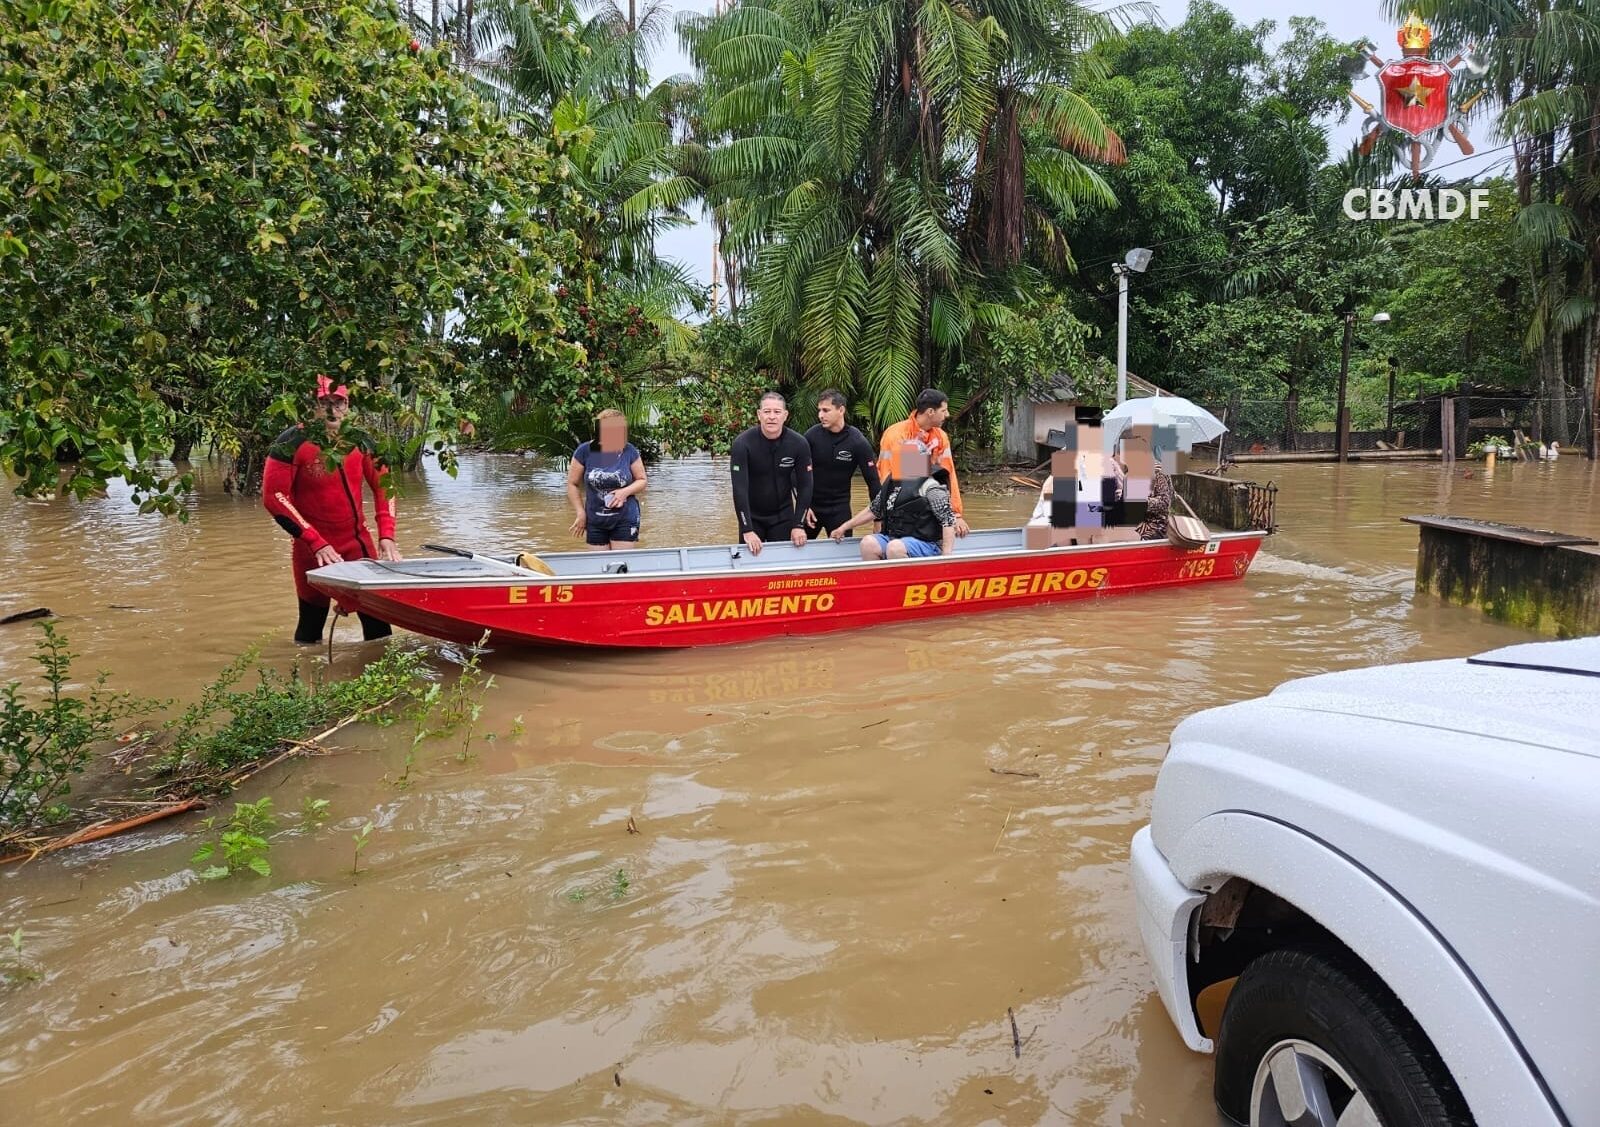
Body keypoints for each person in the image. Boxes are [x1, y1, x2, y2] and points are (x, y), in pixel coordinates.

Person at [262, 376, 400, 645]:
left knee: (379, 628)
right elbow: (274, 497)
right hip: (312, 550)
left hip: (358, 545)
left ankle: (382, 684)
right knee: (310, 629)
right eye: (324, 402)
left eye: (338, 402)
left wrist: (387, 535)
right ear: (313, 405)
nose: (331, 409)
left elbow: (386, 487)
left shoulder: (362, 440)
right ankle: (306, 681)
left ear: (347, 405)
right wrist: (315, 542)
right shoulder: (291, 442)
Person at [875, 387, 970, 537]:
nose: (947, 415)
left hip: (929, 503)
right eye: (944, 411)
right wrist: (879, 517)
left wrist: (956, 514)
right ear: (931, 412)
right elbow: (887, 478)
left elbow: (948, 476)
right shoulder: (896, 435)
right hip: (900, 507)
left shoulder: (940, 437)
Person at [833, 445, 956, 559]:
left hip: (927, 544)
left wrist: (946, 557)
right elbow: (873, 510)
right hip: (896, 539)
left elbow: (948, 521)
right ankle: (879, 580)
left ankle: (906, 580)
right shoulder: (893, 484)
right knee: (868, 543)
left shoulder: (931, 486)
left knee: (894, 548)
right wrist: (844, 527)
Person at [729, 391, 814, 555]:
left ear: (785, 415)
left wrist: (798, 525)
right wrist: (746, 529)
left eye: (777, 412)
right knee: (750, 567)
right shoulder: (742, 443)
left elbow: (806, 486)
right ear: (759, 415)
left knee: (784, 571)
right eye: (767, 412)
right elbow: (739, 489)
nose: (772, 417)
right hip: (752, 518)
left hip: (783, 516)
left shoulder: (799, 444)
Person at [803, 389, 880, 539]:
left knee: (844, 555)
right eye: (819, 410)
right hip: (811, 508)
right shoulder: (811, 436)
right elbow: (796, 473)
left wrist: (878, 518)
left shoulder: (857, 442)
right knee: (797, 553)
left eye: (826, 410)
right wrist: (803, 507)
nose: (820, 415)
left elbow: (873, 482)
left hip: (839, 509)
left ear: (841, 410)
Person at [567, 409, 647, 550]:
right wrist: (580, 512)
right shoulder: (584, 451)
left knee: (622, 566)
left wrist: (625, 492)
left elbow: (642, 480)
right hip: (595, 518)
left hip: (625, 517)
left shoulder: (629, 450)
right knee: (600, 567)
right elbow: (572, 484)